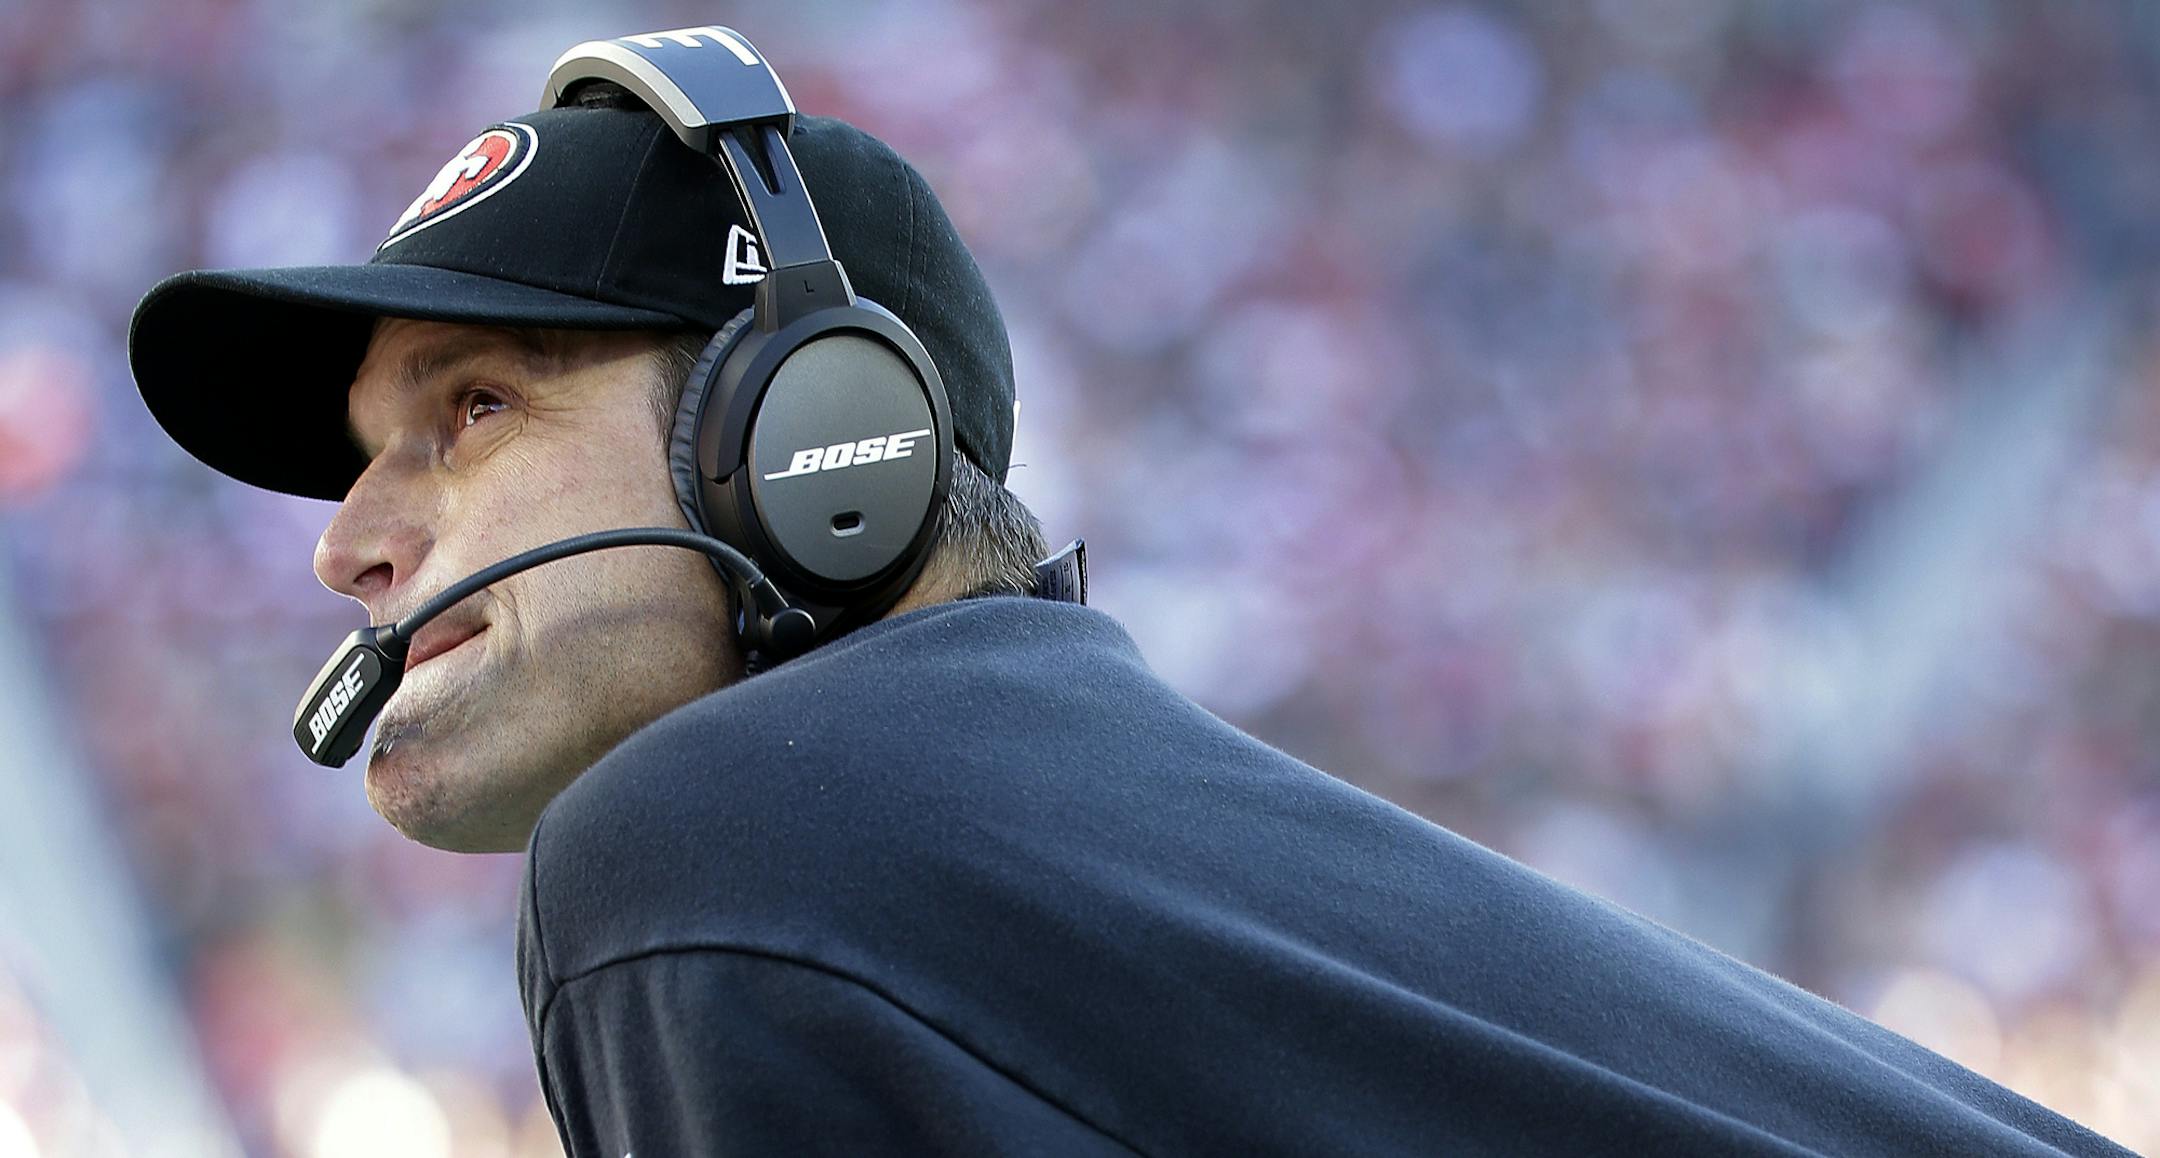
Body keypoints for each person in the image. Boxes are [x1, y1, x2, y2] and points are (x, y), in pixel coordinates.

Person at [129, 32, 2134, 1158]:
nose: (345, 543)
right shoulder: (1048, 848)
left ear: (813, 437)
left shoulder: (707, 843)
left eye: (472, 410)